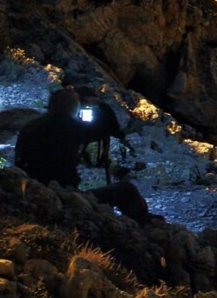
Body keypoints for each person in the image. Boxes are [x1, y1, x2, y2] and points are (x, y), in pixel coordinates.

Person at [15, 87, 151, 223]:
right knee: (126, 190)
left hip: (31, 192)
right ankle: (144, 223)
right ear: (74, 108)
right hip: (63, 198)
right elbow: (112, 128)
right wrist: (100, 104)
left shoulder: (32, 126)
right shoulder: (67, 127)